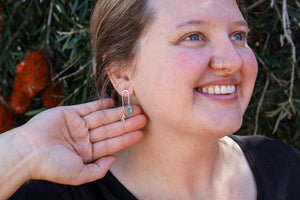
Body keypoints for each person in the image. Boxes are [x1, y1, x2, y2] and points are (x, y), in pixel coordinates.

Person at [3, 0, 300, 199]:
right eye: (193, 36)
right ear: (121, 73)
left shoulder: (287, 170)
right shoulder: (61, 195)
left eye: (238, 35)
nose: (233, 60)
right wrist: (21, 151)